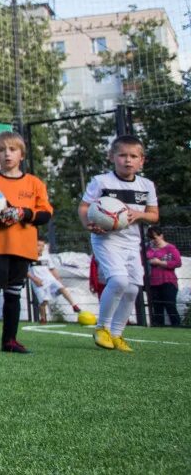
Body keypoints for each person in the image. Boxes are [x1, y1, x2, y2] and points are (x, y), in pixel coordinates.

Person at [0, 131, 53, 354]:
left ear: (22, 155)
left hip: (22, 248)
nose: (7, 154)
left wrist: (22, 213)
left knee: (13, 294)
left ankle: (10, 340)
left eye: (13, 150)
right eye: (3, 150)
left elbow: (45, 214)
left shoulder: (34, 183)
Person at [79, 135, 158, 352]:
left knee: (133, 289)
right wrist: (89, 224)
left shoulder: (146, 185)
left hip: (132, 243)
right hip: (106, 240)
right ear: (112, 157)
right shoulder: (101, 181)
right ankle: (101, 328)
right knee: (119, 281)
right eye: (122, 155)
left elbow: (153, 215)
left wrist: (137, 214)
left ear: (142, 160)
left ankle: (116, 334)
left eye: (133, 156)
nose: (128, 160)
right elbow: (84, 207)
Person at [28, 244, 83, 324]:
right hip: (39, 283)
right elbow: (25, 271)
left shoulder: (46, 257)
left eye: (42, 246)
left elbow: (52, 269)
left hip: (50, 279)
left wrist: (58, 279)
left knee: (62, 288)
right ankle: (43, 318)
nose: (41, 248)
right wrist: (34, 279)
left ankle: (74, 305)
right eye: (38, 245)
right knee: (44, 302)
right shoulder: (28, 257)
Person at [145, 226, 181, 327]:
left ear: (161, 235)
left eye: (155, 237)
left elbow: (178, 262)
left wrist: (160, 263)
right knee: (156, 307)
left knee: (170, 305)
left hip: (168, 281)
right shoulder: (147, 248)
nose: (153, 240)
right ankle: (158, 327)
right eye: (151, 238)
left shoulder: (170, 248)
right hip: (153, 282)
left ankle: (177, 326)